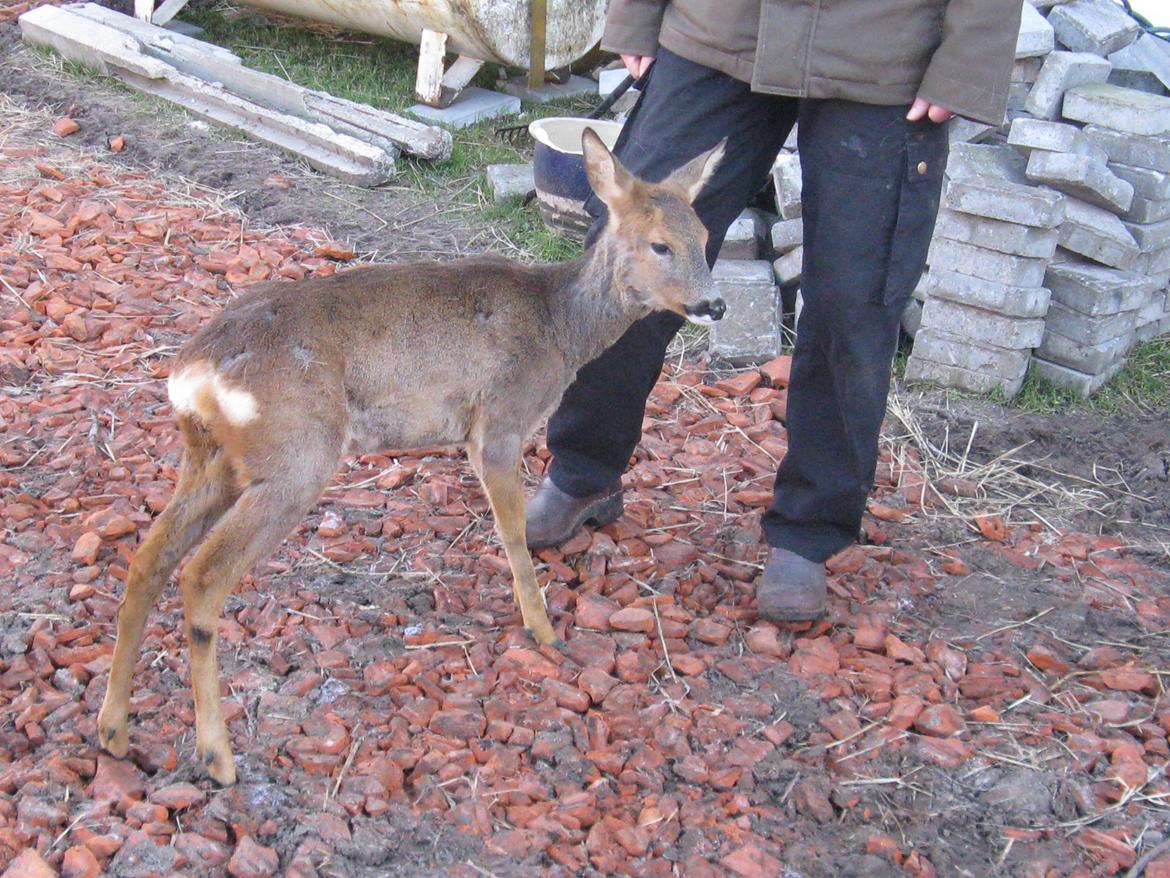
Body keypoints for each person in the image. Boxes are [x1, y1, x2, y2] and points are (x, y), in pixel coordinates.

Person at [525, 0, 1025, 620]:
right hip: (716, 30)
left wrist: (967, 62)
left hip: (882, 50)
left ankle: (809, 530)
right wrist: (634, 16)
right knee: (624, 266)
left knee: (854, 297)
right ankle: (581, 471)